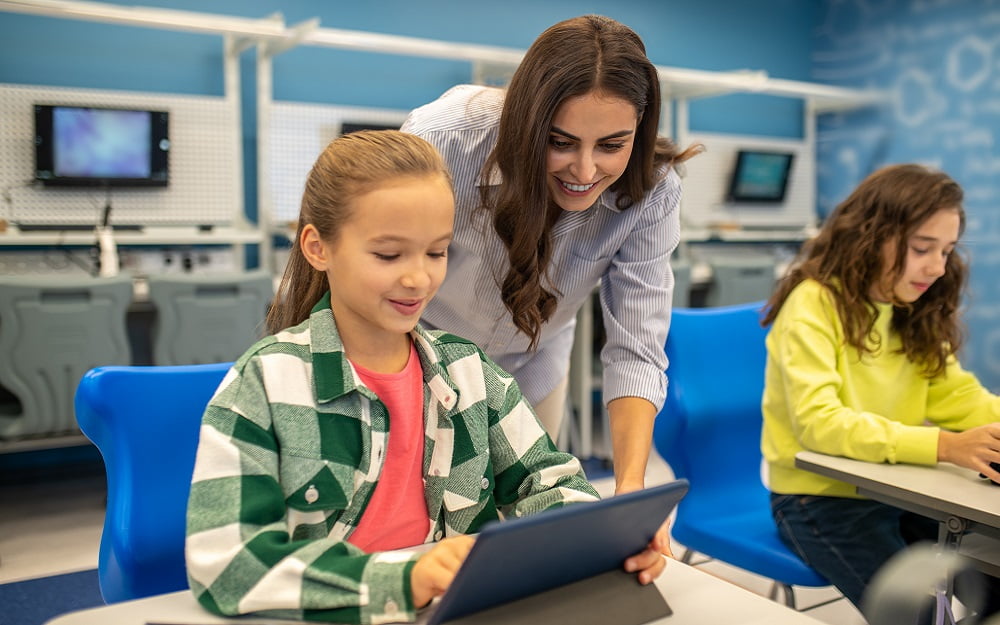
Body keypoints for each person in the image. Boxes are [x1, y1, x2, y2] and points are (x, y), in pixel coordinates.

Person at [184, 130, 669, 624]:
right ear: (318, 248)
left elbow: (548, 483)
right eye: (389, 255)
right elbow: (226, 562)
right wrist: (403, 582)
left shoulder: (469, 373)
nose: (419, 279)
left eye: (437, 253)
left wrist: (603, 541)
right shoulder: (266, 384)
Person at [400, 15, 702, 494]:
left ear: (638, 130)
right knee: (423, 510)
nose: (584, 170)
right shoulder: (444, 138)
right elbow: (380, 265)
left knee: (529, 509)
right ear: (528, 121)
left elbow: (636, 347)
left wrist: (630, 488)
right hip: (420, 347)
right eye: (560, 143)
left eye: (611, 145)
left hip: (533, 356)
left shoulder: (653, 191)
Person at [761, 163, 1000, 614]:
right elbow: (819, 425)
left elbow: (960, 397)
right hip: (818, 499)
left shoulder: (912, 308)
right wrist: (946, 447)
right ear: (871, 236)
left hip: (895, 489)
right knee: (917, 613)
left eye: (946, 250)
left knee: (993, 583)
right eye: (922, 248)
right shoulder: (813, 302)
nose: (937, 266)